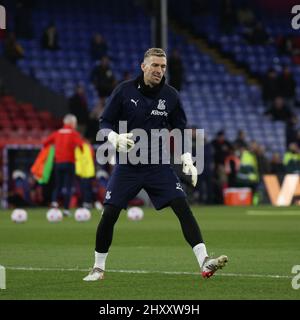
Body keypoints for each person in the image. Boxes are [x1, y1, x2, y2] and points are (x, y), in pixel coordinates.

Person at [83, 48, 228, 281]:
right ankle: (98, 268)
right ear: (143, 66)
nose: (159, 70)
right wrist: (113, 137)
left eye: (163, 66)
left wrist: (186, 158)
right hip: (128, 165)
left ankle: (204, 261)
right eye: (155, 65)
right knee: (109, 214)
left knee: (182, 205)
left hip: (158, 165)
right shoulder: (123, 90)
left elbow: (179, 130)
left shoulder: (171, 96)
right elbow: (104, 121)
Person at [43, 114, 84, 216]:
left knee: (58, 186)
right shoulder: (74, 133)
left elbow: (45, 143)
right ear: (72, 123)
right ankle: (66, 209)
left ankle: (54, 203)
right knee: (68, 187)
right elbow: (81, 145)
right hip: (69, 163)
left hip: (58, 163)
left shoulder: (57, 133)